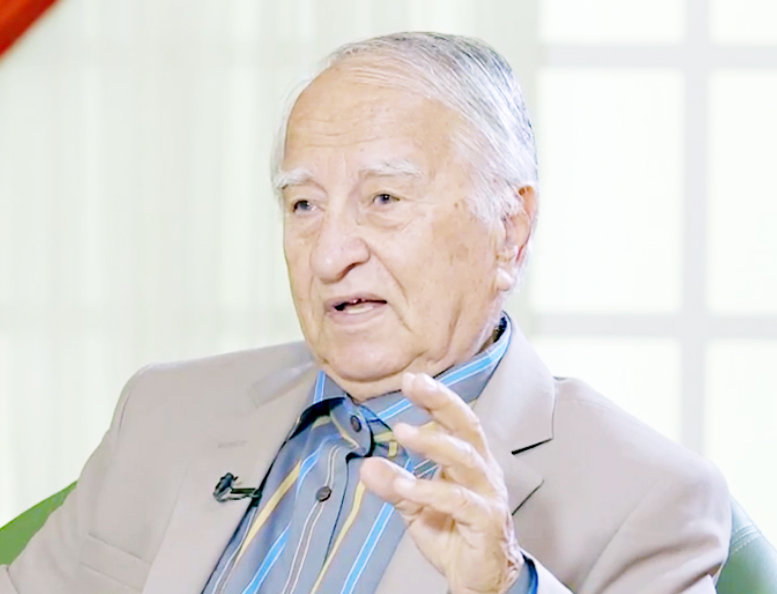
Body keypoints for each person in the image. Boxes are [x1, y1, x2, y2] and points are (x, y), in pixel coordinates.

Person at [0, 32, 730, 594]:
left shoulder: (648, 498)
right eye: (303, 205)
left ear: (510, 230)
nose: (328, 255)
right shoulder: (164, 411)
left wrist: (506, 586)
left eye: (383, 198)